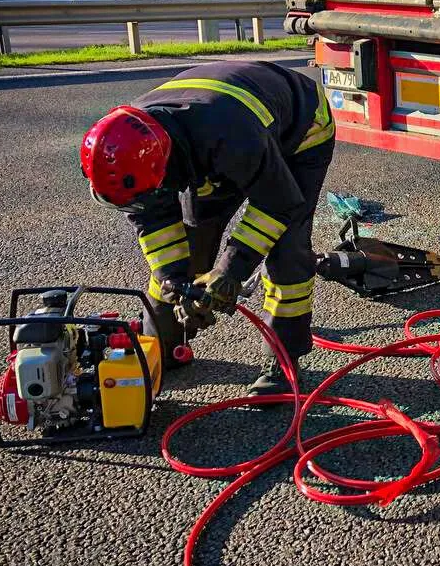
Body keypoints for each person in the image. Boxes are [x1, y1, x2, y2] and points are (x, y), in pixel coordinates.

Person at [79, 59, 336, 395]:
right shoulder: (132, 148)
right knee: (194, 241)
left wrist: (231, 271)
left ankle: (283, 360)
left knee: (286, 249)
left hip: (299, 131)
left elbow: (278, 203)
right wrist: (176, 282)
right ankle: (159, 346)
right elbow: (154, 222)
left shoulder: (230, 137)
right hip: (210, 139)